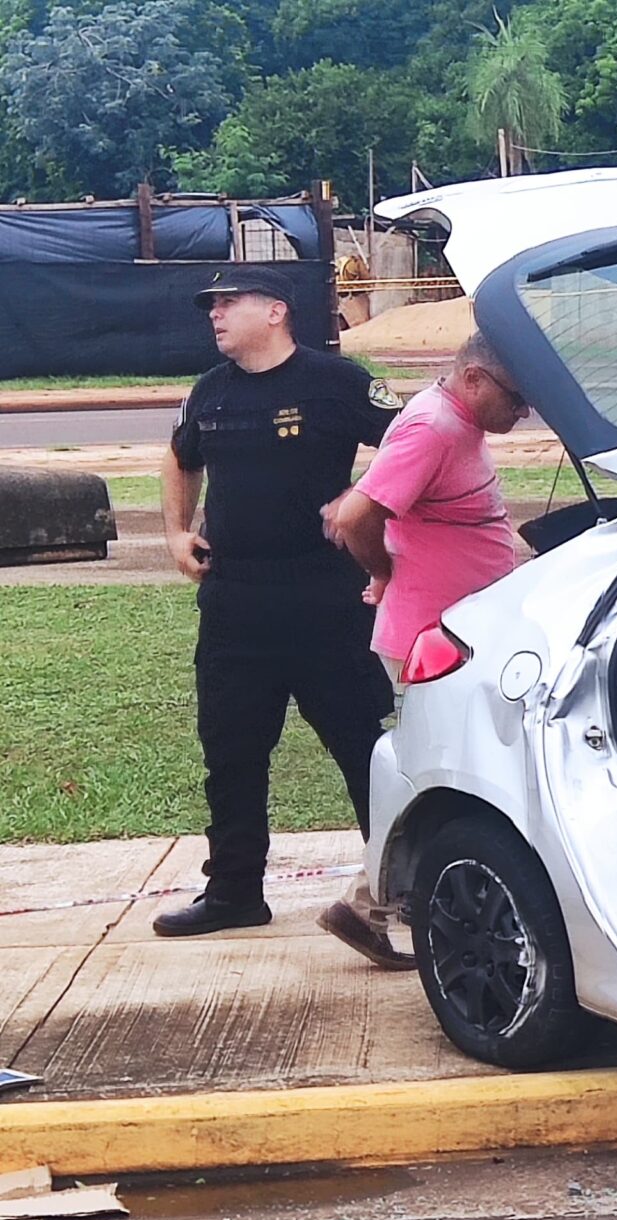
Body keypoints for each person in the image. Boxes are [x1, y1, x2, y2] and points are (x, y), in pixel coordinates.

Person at [153, 265, 403, 939]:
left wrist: (368, 506)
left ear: (276, 311)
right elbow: (181, 457)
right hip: (236, 601)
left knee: (364, 746)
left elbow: (411, 446)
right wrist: (178, 529)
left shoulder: (338, 382)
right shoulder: (209, 393)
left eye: (229, 302)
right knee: (231, 749)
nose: (215, 313)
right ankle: (234, 890)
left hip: (326, 594)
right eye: (212, 304)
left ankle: (398, 889)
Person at [311, 330, 532, 967]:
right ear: (474, 381)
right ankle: (366, 906)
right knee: (430, 772)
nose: (521, 414)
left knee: (439, 768)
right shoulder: (434, 428)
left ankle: (370, 904)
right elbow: (352, 518)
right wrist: (382, 573)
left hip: (455, 634)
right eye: (516, 400)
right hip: (430, 642)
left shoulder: (456, 427)